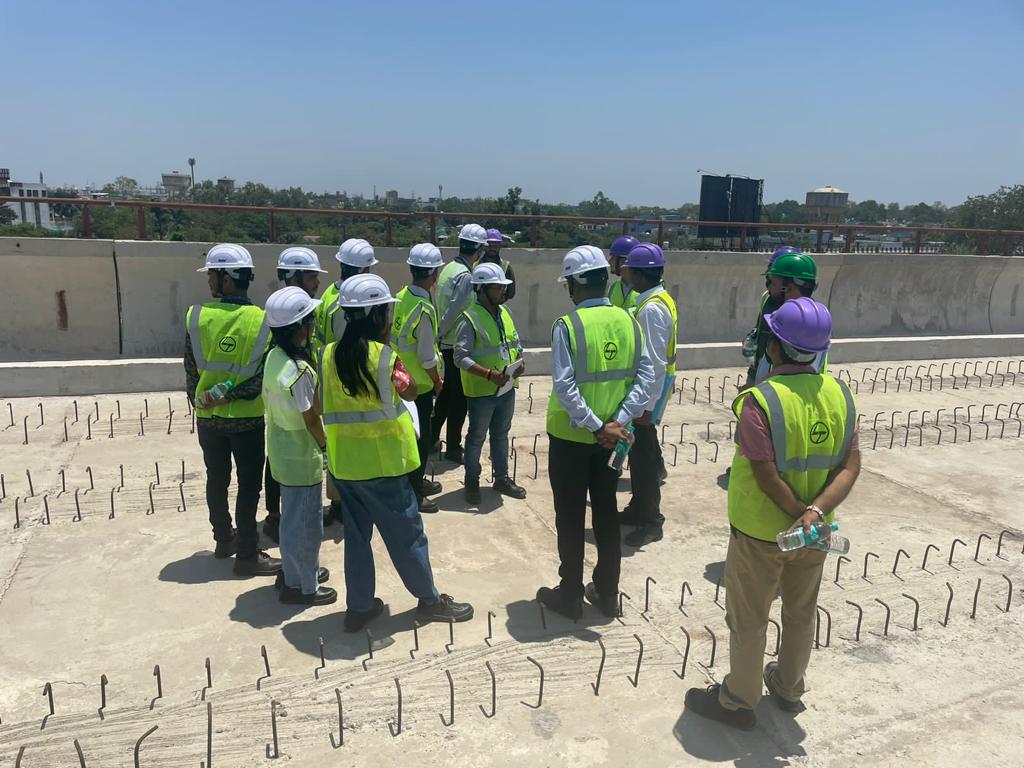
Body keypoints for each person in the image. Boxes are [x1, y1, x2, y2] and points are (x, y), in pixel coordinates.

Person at [685, 297, 859, 730]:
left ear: (775, 347)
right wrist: (816, 513)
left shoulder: (759, 401)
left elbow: (763, 474)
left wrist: (799, 512)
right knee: (801, 612)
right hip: (815, 534)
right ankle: (788, 687)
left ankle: (739, 700)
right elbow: (850, 465)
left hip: (762, 533)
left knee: (749, 618)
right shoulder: (841, 394)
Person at [321, 273, 474, 631]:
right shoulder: (386, 359)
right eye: (387, 314)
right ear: (377, 317)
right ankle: (430, 601)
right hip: (383, 465)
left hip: (345, 466)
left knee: (357, 539)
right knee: (407, 535)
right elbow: (408, 393)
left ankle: (359, 608)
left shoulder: (327, 355)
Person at [536, 245, 656, 620]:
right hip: (612, 439)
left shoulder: (567, 326)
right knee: (604, 511)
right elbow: (647, 377)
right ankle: (607, 592)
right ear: (605, 279)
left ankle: (570, 592)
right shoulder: (630, 321)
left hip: (573, 438)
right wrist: (617, 422)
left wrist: (595, 425)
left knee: (570, 516)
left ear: (574, 285)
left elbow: (565, 386)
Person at [184, 243, 280, 576]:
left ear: (227, 279)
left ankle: (224, 540)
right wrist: (231, 396)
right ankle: (247, 555)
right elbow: (262, 377)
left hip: (208, 419)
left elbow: (191, 371)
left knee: (217, 479)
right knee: (249, 485)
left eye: (213, 274)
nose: (210, 280)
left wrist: (203, 402)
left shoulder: (197, 317)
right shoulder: (264, 321)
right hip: (246, 419)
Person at [262, 287, 336, 606]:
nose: (313, 325)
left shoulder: (274, 358)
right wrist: (328, 449)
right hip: (302, 458)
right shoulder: (299, 371)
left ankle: (295, 573)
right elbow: (310, 418)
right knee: (307, 527)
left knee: (292, 522)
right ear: (299, 328)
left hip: (281, 451)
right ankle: (303, 587)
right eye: (310, 320)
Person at [263, 247, 331, 544]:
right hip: (297, 434)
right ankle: (276, 520)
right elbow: (309, 417)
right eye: (312, 275)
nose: (317, 282)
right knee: (300, 516)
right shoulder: (284, 331)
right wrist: (325, 446)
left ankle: (281, 521)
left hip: (285, 428)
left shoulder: (286, 331)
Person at [618, 242, 677, 547]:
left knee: (643, 460)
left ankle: (650, 521)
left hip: (647, 396)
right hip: (649, 393)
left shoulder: (651, 309)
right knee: (640, 456)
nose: (624, 271)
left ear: (640, 274)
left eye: (629, 267)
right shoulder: (653, 299)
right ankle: (638, 508)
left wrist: (643, 407)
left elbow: (653, 362)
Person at [454, 261, 528, 505]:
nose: (502, 292)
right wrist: (488, 374)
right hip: (483, 391)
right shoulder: (469, 318)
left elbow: (514, 342)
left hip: (506, 388)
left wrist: (519, 361)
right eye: (497, 288)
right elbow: (460, 357)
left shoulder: (504, 312)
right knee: (477, 437)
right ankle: (472, 481)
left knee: (501, 434)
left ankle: (502, 478)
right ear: (482, 289)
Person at [315, 238, 376, 523]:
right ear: (363, 271)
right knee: (349, 444)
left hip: (330, 376)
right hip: (345, 381)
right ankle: (344, 503)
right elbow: (346, 347)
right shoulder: (346, 304)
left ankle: (341, 501)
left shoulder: (330, 292)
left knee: (338, 443)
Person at [393, 243, 446, 514]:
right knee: (420, 442)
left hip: (400, 382)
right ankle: (414, 493)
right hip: (419, 386)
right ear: (434, 273)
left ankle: (414, 484)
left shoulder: (401, 296)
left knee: (408, 439)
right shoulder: (424, 309)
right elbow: (427, 357)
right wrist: (437, 382)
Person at [432, 223, 488, 464]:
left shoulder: (448, 269)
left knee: (444, 399)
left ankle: (431, 440)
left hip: (445, 343)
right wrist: (441, 334)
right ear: (479, 251)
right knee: (459, 402)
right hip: (454, 344)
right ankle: (454, 448)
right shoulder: (466, 276)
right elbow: (454, 311)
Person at [752, 252, 825, 385]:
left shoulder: (799, 323)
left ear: (788, 288)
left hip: (779, 392)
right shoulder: (817, 319)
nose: (769, 287)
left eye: (773, 283)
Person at [743, 247, 807, 387]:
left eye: (773, 280)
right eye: (768, 278)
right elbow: (760, 326)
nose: (768, 284)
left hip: (784, 381)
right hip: (758, 371)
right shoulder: (766, 298)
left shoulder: (805, 314)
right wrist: (753, 339)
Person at [480, 227, 516, 300]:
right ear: (484, 246)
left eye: (495, 245)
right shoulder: (475, 265)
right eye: (489, 245)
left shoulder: (506, 267)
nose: (492, 248)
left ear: (500, 246)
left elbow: (511, 293)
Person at [607, 235, 640, 311]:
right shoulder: (613, 287)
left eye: (613, 258)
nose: (609, 261)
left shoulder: (645, 288)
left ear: (624, 261)